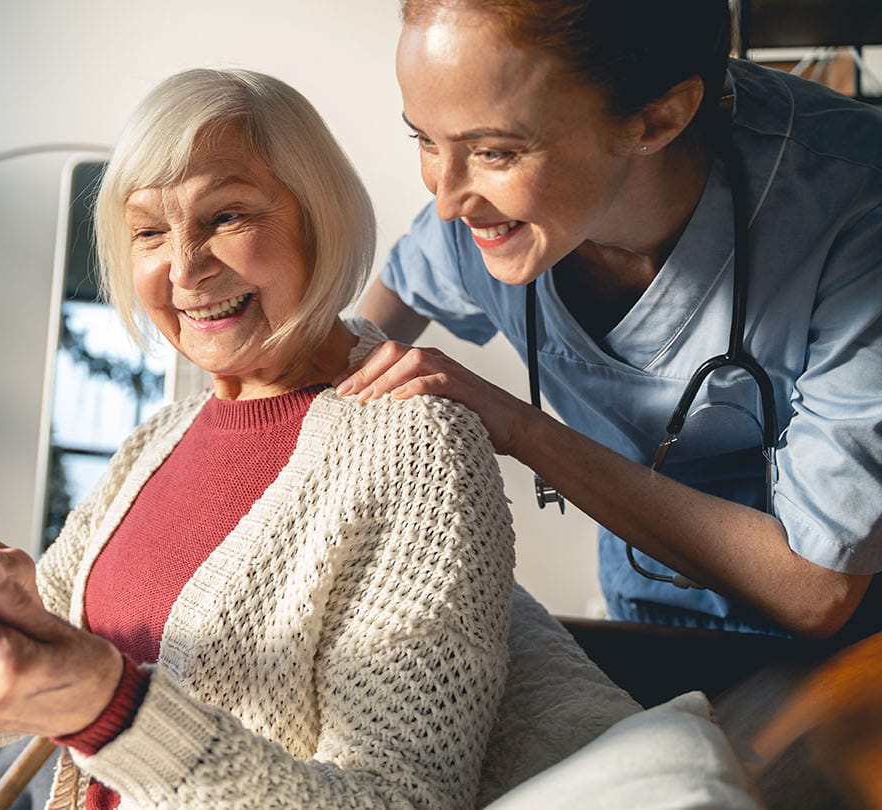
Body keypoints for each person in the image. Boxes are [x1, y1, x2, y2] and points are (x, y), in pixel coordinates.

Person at [0, 67, 516, 809]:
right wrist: (9, 615)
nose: (184, 267)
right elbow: (4, 718)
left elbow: (402, 800)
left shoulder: (419, 450)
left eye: (225, 217)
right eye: (149, 231)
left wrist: (109, 709)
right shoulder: (162, 435)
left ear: (319, 218)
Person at [341, 0, 882, 641]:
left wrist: (521, 428)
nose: (447, 197)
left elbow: (817, 589)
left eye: (495, 152)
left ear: (658, 117)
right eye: (425, 139)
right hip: (643, 605)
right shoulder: (472, 226)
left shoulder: (852, 204)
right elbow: (349, 356)